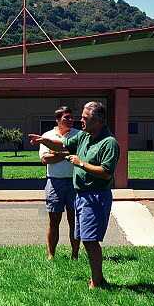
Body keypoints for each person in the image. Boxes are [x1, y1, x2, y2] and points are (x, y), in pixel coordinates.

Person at [29, 101, 120, 289]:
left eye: (85, 118)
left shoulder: (109, 143)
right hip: (81, 195)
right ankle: (98, 278)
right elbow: (61, 144)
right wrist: (43, 140)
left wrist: (81, 164)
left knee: (90, 240)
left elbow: (106, 172)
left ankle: (97, 281)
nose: (81, 121)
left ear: (99, 120)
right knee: (86, 238)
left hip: (95, 195)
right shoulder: (84, 137)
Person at [38, 106, 80, 260]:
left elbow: (80, 156)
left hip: (75, 182)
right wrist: (66, 154)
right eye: (66, 118)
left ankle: (75, 255)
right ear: (58, 119)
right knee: (54, 220)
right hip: (54, 182)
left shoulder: (79, 135)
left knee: (74, 220)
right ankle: (51, 255)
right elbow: (45, 159)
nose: (70, 120)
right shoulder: (47, 136)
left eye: (71, 117)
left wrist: (56, 153)